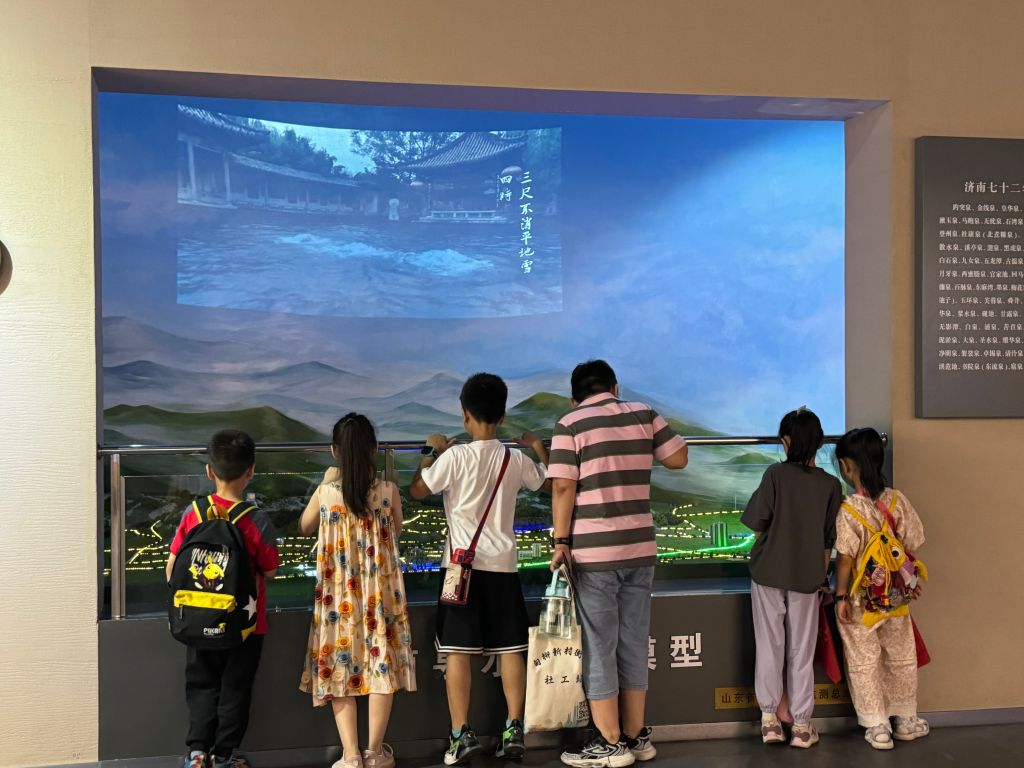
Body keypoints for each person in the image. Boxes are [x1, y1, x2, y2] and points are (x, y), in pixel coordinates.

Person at [547, 360, 688, 768]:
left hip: (595, 554)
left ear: (575, 397)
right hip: (640, 548)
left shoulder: (570, 423)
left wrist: (561, 541)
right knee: (633, 642)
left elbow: (562, 486)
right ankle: (636, 735)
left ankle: (609, 742)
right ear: (615, 387)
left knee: (599, 645)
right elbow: (678, 459)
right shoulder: (643, 414)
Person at [409, 372, 550, 766]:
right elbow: (550, 483)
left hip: (460, 569)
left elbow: (417, 489)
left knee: (457, 651)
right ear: (502, 417)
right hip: (503, 566)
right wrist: (538, 446)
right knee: (510, 648)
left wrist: (431, 450)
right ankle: (513, 729)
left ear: (464, 414)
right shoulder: (515, 458)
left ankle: (460, 734)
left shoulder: (454, 457)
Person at [299, 414, 417, 768]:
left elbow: (304, 526)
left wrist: (326, 482)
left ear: (335, 451)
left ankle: (350, 755)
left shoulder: (326, 493)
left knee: (339, 664)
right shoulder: (388, 491)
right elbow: (396, 529)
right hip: (380, 594)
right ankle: (375, 752)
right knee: (381, 665)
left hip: (338, 596)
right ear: (374, 449)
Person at [165, 430, 281, 768]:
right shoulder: (256, 519)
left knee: (201, 684)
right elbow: (270, 570)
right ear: (251, 471)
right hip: (245, 624)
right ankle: (224, 755)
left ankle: (197, 753)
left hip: (197, 618)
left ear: (209, 471)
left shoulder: (194, 513)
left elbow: (172, 568)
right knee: (236, 688)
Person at [740, 408, 841, 749]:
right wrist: (821, 577)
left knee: (770, 645)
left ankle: (769, 721)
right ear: (819, 443)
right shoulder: (831, 485)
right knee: (801, 650)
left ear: (786, 441)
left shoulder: (775, 475)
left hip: (768, 572)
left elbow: (758, 523)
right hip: (808, 577)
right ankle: (800, 725)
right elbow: (828, 540)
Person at [833, 428, 928, 751]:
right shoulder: (897, 500)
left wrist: (841, 596)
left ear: (847, 466)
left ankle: (877, 726)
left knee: (863, 658)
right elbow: (912, 542)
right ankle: (906, 720)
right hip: (896, 596)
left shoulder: (849, 509)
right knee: (900, 655)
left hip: (861, 598)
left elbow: (845, 558)